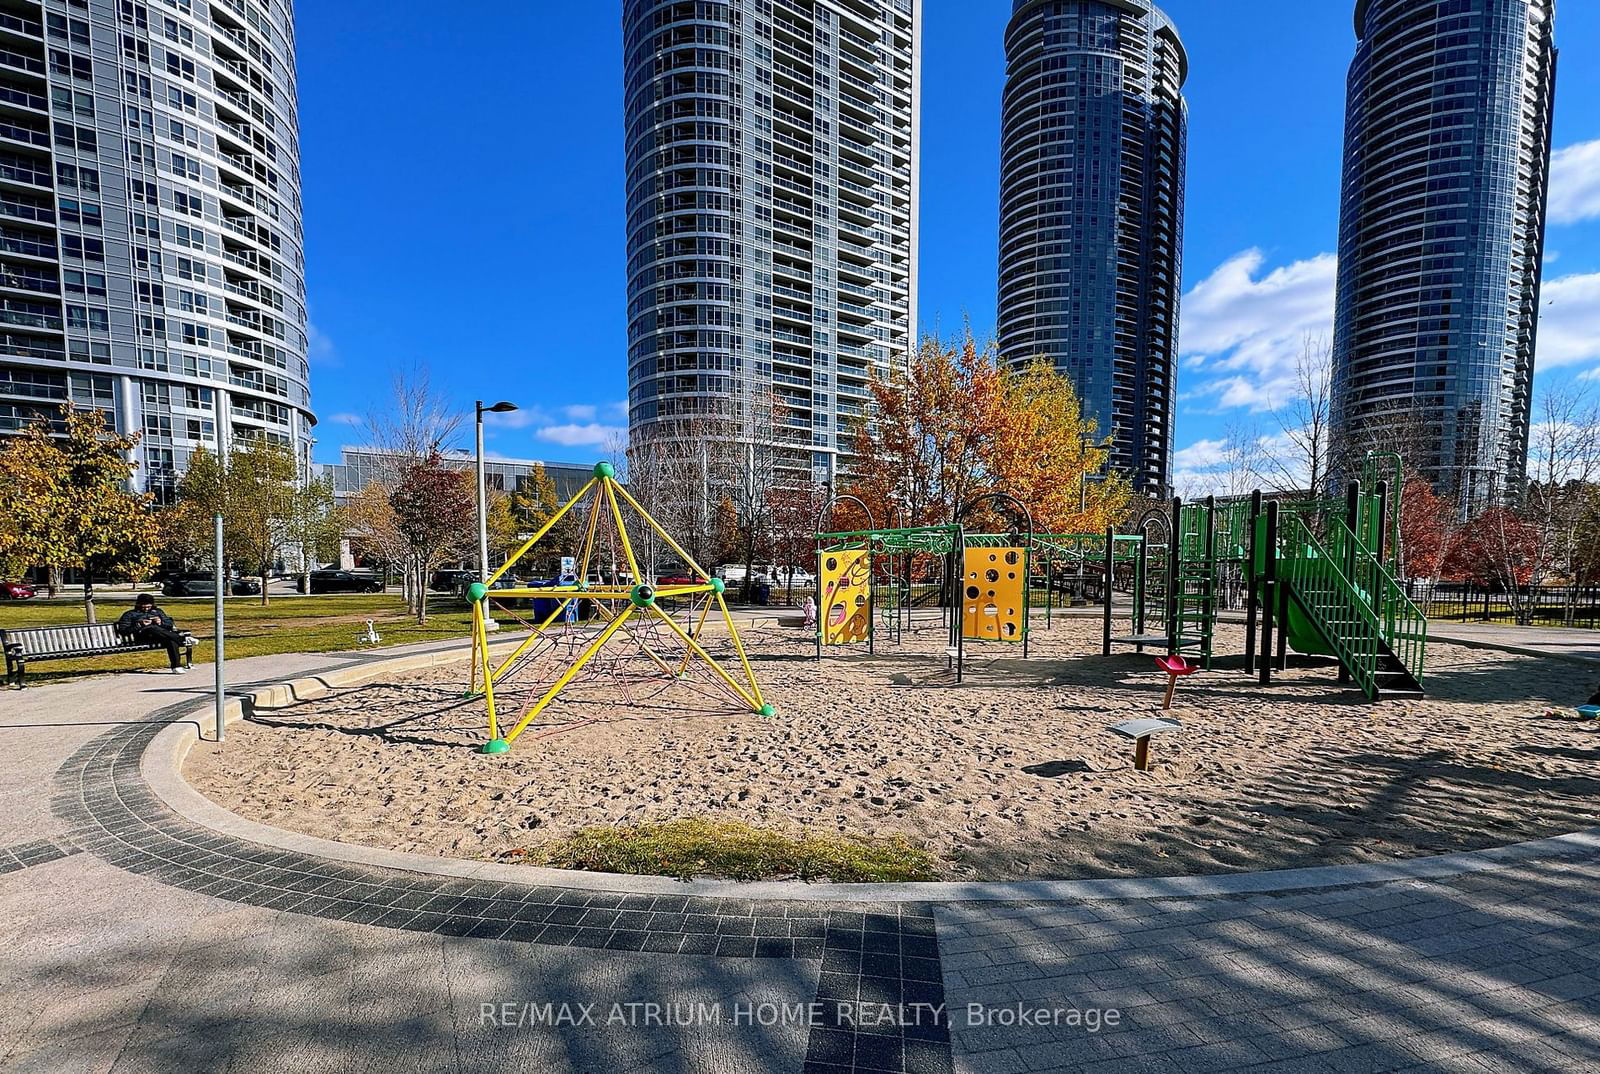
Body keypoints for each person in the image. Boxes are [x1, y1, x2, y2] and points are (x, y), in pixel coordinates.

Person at [116, 594, 189, 673]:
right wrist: (139, 625)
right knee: (151, 628)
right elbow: (123, 631)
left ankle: (176, 667)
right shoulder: (130, 614)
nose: (146, 609)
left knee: (171, 640)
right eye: (144, 606)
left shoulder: (158, 612)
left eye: (149, 606)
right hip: (142, 637)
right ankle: (183, 639)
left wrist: (160, 622)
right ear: (138, 604)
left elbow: (169, 624)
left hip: (159, 636)